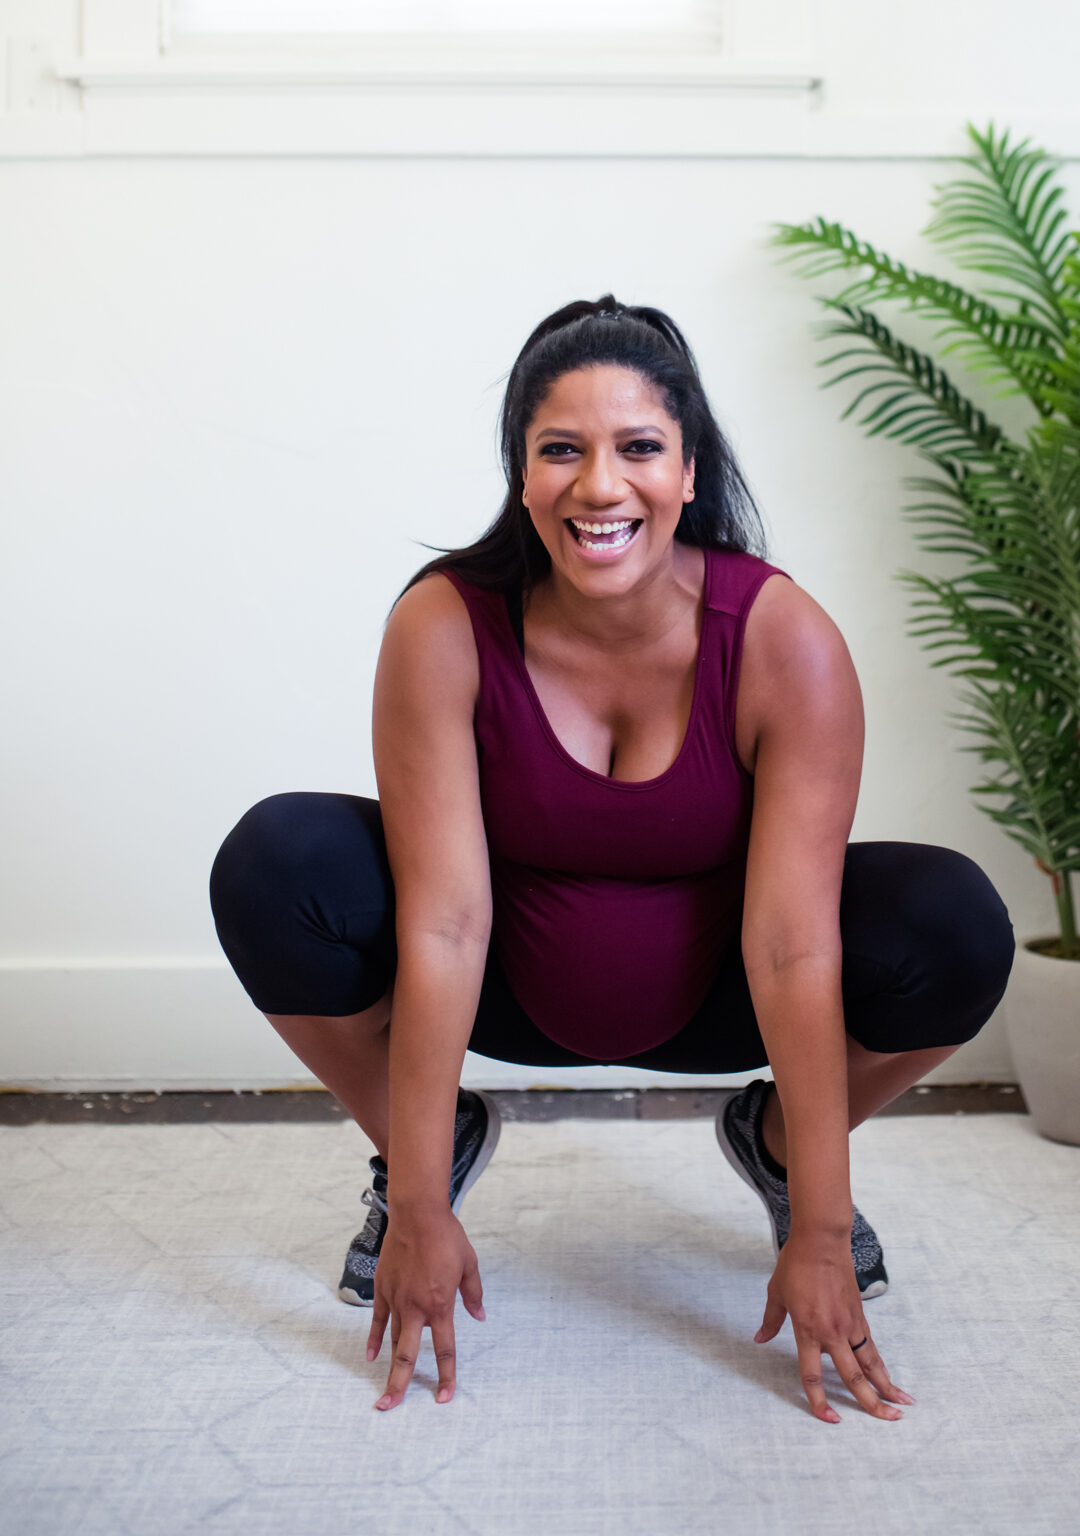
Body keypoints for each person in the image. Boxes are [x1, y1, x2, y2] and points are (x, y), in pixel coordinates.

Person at [209, 295, 1016, 1426]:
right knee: (277, 858)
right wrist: (419, 1200)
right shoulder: (444, 627)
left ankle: (781, 1144)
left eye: (639, 448)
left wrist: (825, 1230)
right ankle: (420, 1133)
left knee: (954, 921)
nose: (600, 485)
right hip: (506, 983)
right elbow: (442, 921)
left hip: (723, 992)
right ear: (521, 473)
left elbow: (792, 942)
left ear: (690, 472)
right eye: (560, 451)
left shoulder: (783, 641)